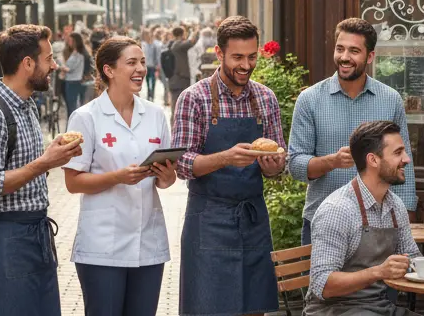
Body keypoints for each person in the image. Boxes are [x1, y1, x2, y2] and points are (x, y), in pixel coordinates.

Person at [0, 24, 83, 316]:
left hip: (34, 236)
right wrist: (44, 162)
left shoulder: (27, 105)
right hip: (2, 243)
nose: (55, 65)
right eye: (49, 59)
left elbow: (25, 169)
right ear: (27, 64)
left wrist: (51, 156)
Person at [173, 16, 286, 316]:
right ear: (219, 53)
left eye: (252, 57)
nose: (246, 65)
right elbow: (181, 164)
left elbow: (274, 168)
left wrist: (274, 165)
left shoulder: (265, 98)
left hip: (252, 218)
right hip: (208, 219)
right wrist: (225, 157)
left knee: (254, 309)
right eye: (237, 57)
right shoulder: (194, 99)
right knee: (207, 308)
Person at [63, 37, 178, 316]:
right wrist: (117, 177)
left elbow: (167, 181)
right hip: (103, 244)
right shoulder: (85, 117)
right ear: (109, 70)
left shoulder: (155, 115)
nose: (141, 68)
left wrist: (166, 175)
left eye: (142, 62)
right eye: (131, 63)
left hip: (147, 242)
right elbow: (72, 181)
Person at [288, 18, 416, 245]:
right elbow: (295, 165)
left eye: (354, 51)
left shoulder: (390, 100)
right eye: (340, 49)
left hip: (380, 223)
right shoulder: (310, 100)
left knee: (382, 281)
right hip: (323, 221)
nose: (344, 57)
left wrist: (405, 216)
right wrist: (332, 161)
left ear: (370, 57)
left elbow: (403, 162)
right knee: (323, 281)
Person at [303, 120, 418, 316]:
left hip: (380, 307)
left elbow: (413, 258)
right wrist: (379, 272)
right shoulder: (337, 210)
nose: (407, 159)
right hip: (333, 310)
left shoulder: (395, 206)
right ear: (373, 160)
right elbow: (322, 285)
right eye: (398, 153)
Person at [60, 32, 92, 116]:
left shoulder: (79, 54)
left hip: (75, 81)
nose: (68, 42)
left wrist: (61, 67)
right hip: (76, 80)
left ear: (75, 41)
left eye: (70, 41)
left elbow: (70, 68)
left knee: (74, 108)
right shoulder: (71, 51)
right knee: (77, 107)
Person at [167, 26, 199, 106]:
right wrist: (196, 31)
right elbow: (191, 42)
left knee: (177, 101)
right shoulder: (178, 45)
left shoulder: (173, 44)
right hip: (181, 78)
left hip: (176, 78)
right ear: (182, 34)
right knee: (180, 102)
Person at [141, 29, 162, 101]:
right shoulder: (143, 44)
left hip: (153, 66)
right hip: (146, 66)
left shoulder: (155, 45)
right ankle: (148, 94)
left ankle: (152, 95)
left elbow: (157, 56)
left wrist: (158, 65)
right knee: (147, 81)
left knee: (153, 81)